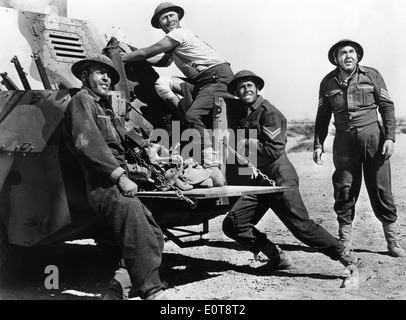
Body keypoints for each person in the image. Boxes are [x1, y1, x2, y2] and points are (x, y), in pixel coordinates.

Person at [222, 70, 374, 288]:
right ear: (237, 92)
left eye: (249, 86)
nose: (246, 90)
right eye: (241, 87)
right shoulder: (244, 113)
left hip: (278, 176)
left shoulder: (269, 112)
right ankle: (277, 258)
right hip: (260, 180)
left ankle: (355, 264)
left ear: (257, 89)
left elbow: (274, 148)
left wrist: (242, 144)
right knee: (234, 224)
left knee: (302, 228)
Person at [62, 53, 168, 300]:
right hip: (103, 183)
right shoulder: (82, 102)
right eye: (100, 73)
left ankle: (118, 289)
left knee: (153, 233)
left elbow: (120, 143)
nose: (106, 78)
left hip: (116, 180)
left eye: (109, 74)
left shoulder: (103, 106)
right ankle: (152, 290)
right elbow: (88, 145)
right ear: (85, 76)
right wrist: (120, 176)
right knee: (138, 229)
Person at [121, 2, 235, 187]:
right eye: (164, 18)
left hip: (217, 78)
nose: (169, 20)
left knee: (194, 115)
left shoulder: (178, 34)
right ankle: (185, 119)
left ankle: (211, 164)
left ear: (178, 17)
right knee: (162, 83)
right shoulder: (173, 44)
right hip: (201, 81)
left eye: (171, 15)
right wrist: (134, 51)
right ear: (160, 24)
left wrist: (121, 57)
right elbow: (162, 62)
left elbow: (148, 52)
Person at [313, 39, 406, 257]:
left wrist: (390, 138)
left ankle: (393, 241)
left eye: (351, 52)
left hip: (374, 138)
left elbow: (386, 107)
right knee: (344, 189)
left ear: (357, 56)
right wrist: (318, 144)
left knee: (381, 189)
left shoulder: (372, 75)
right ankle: (345, 241)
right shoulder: (328, 82)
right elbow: (322, 116)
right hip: (344, 142)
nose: (348, 56)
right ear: (335, 58)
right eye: (342, 53)